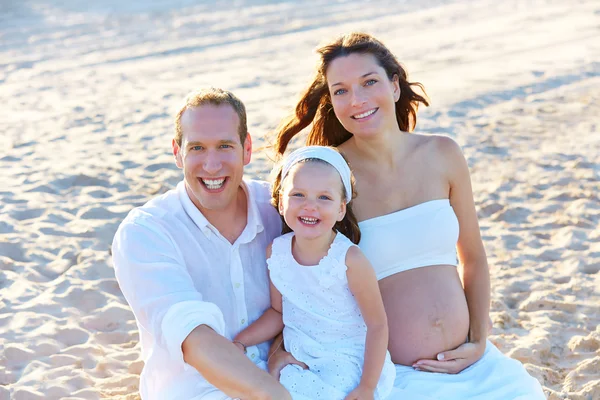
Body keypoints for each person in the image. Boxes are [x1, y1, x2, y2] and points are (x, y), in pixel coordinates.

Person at [271, 32, 546, 399]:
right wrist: (277, 349)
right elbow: (296, 273)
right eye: (341, 90)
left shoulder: (443, 154)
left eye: (369, 82)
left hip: (474, 365)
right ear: (333, 101)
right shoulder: (329, 177)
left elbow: (474, 258)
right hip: (390, 375)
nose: (358, 99)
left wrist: (479, 339)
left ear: (395, 86)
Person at [112, 88, 294, 400]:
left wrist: (278, 351)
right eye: (197, 148)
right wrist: (273, 394)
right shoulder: (146, 232)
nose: (211, 166)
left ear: (246, 148)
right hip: (199, 390)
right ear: (177, 152)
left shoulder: (282, 209)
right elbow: (194, 339)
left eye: (225, 146)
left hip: (288, 375)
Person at [233, 146, 395, 400]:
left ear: (341, 209)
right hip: (301, 353)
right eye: (298, 194)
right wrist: (240, 341)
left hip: (347, 357)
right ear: (281, 200)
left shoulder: (349, 260)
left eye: (324, 198)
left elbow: (377, 325)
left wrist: (366, 387)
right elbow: (279, 312)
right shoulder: (276, 252)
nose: (310, 207)